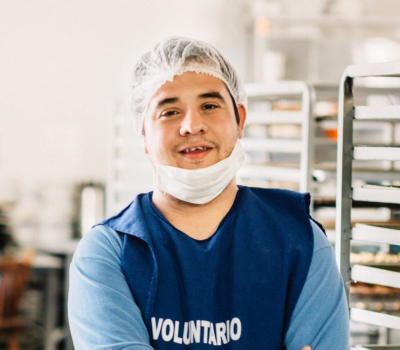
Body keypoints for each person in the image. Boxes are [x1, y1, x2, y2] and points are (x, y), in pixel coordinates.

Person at [68, 37, 349, 350]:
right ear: (143, 134)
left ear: (240, 119)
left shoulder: (300, 242)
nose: (192, 125)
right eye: (169, 112)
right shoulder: (108, 254)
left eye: (210, 106)